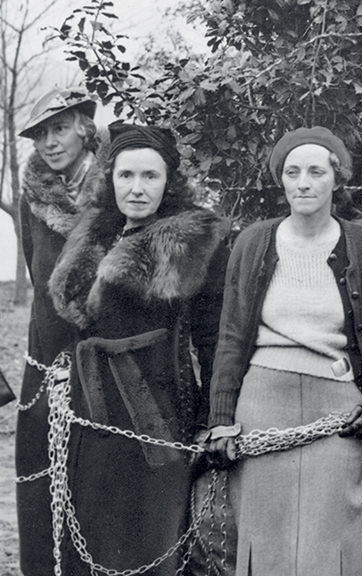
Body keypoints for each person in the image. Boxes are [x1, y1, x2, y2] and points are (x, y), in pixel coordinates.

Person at [205, 126, 362, 576]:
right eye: (293, 172)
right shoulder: (254, 241)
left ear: (336, 177)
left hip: (337, 406)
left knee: (335, 536)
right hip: (263, 400)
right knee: (263, 537)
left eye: (315, 171)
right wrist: (220, 419)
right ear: (282, 180)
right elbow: (231, 336)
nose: (303, 182)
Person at [47, 123, 229, 575]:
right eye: (126, 175)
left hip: (157, 413)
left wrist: (212, 417)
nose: (137, 188)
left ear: (170, 182)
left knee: (151, 539)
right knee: (91, 531)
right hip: (90, 410)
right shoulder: (95, 234)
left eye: (151, 176)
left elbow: (212, 338)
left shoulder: (192, 241)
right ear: (110, 177)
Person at [15, 87, 104, 576]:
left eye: (60, 128)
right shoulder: (33, 202)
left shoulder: (121, 186)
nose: (50, 142)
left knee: (98, 486)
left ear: (85, 128)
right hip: (47, 355)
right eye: (42, 134)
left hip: (105, 358)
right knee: (44, 484)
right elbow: (36, 268)